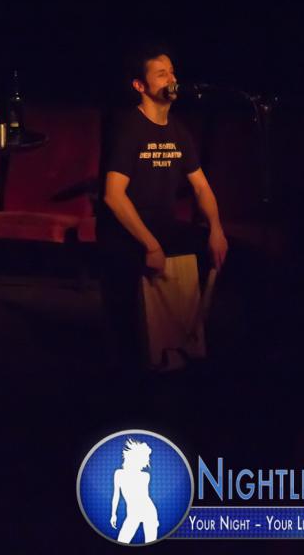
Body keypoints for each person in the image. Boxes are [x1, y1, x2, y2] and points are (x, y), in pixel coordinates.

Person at [96, 46, 228, 367]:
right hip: (126, 233)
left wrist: (216, 230)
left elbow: (201, 187)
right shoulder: (129, 128)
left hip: (162, 228)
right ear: (139, 86)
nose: (171, 79)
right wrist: (151, 245)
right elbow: (113, 196)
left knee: (212, 254)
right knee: (130, 335)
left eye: (172, 72)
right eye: (161, 74)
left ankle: (181, 353)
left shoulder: (178, 131)